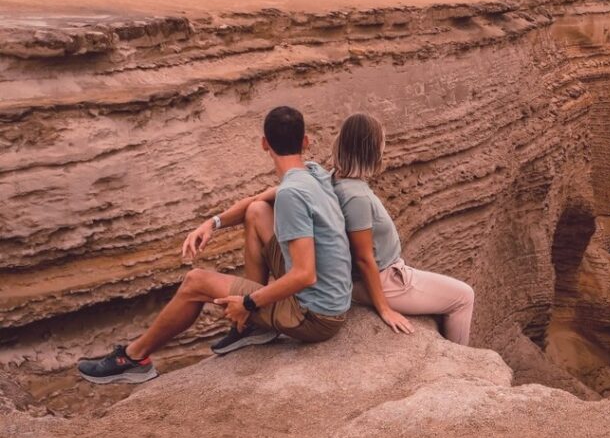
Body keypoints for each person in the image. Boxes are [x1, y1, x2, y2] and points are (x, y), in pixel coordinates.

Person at [77, 106, 353, 384]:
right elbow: (254, 201)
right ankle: (251, 328)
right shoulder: (313, 172)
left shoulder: (292, 194)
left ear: (264, 144)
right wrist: (213, 223)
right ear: (305, 141)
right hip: (331, 298)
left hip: (316, 315)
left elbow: (305, 274)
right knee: (257, 211)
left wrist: (248, 302)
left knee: (195, 281)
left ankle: (134, 358)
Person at [330, 113, 474, 345]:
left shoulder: (335, 179)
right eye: (380, 143)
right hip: (388, 281)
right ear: (370, 150)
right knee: (464, 296)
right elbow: (364, 258)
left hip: (382, 275)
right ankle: (460, 363)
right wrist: (384, 309)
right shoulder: (355, 196)